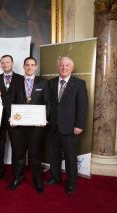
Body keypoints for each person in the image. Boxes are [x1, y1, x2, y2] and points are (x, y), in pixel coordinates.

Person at [45, 57, 88, 195]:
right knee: (54, 155)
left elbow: (83, 106)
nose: (64, 67)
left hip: (70, 128)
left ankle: (71, 182)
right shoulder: (51, 83)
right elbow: (48, 105)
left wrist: (79, 125)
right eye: (62, 65)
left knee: (70, 157)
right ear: (58, 66)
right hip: (52, 127)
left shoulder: (79, 84)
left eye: (67, 65)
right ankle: (55, 178)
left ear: (72, 67)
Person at [8, 57, 50, 193]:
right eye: (27, 65)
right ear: (23, 66)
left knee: (35, 156)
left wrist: (43, 119)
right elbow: (10, 101)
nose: (29, 67)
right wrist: (12, 118)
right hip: (18, 127)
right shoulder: (16, 82)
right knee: (18, 155)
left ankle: (37, 180)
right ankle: (17, 177)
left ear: (36, 66)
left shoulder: (43, 82)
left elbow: (48, 103)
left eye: (32, 65)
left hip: (36, 127)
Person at [0, 55, 23, 180]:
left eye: (7, 62)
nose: (5, 64)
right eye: (3, 63)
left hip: (15, 118)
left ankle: (16, 172)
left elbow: (22, 98)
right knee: (0, 146)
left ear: (12, 63)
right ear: (1, 65)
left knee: (16, 147)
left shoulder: (21, 79)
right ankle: (0, 171)